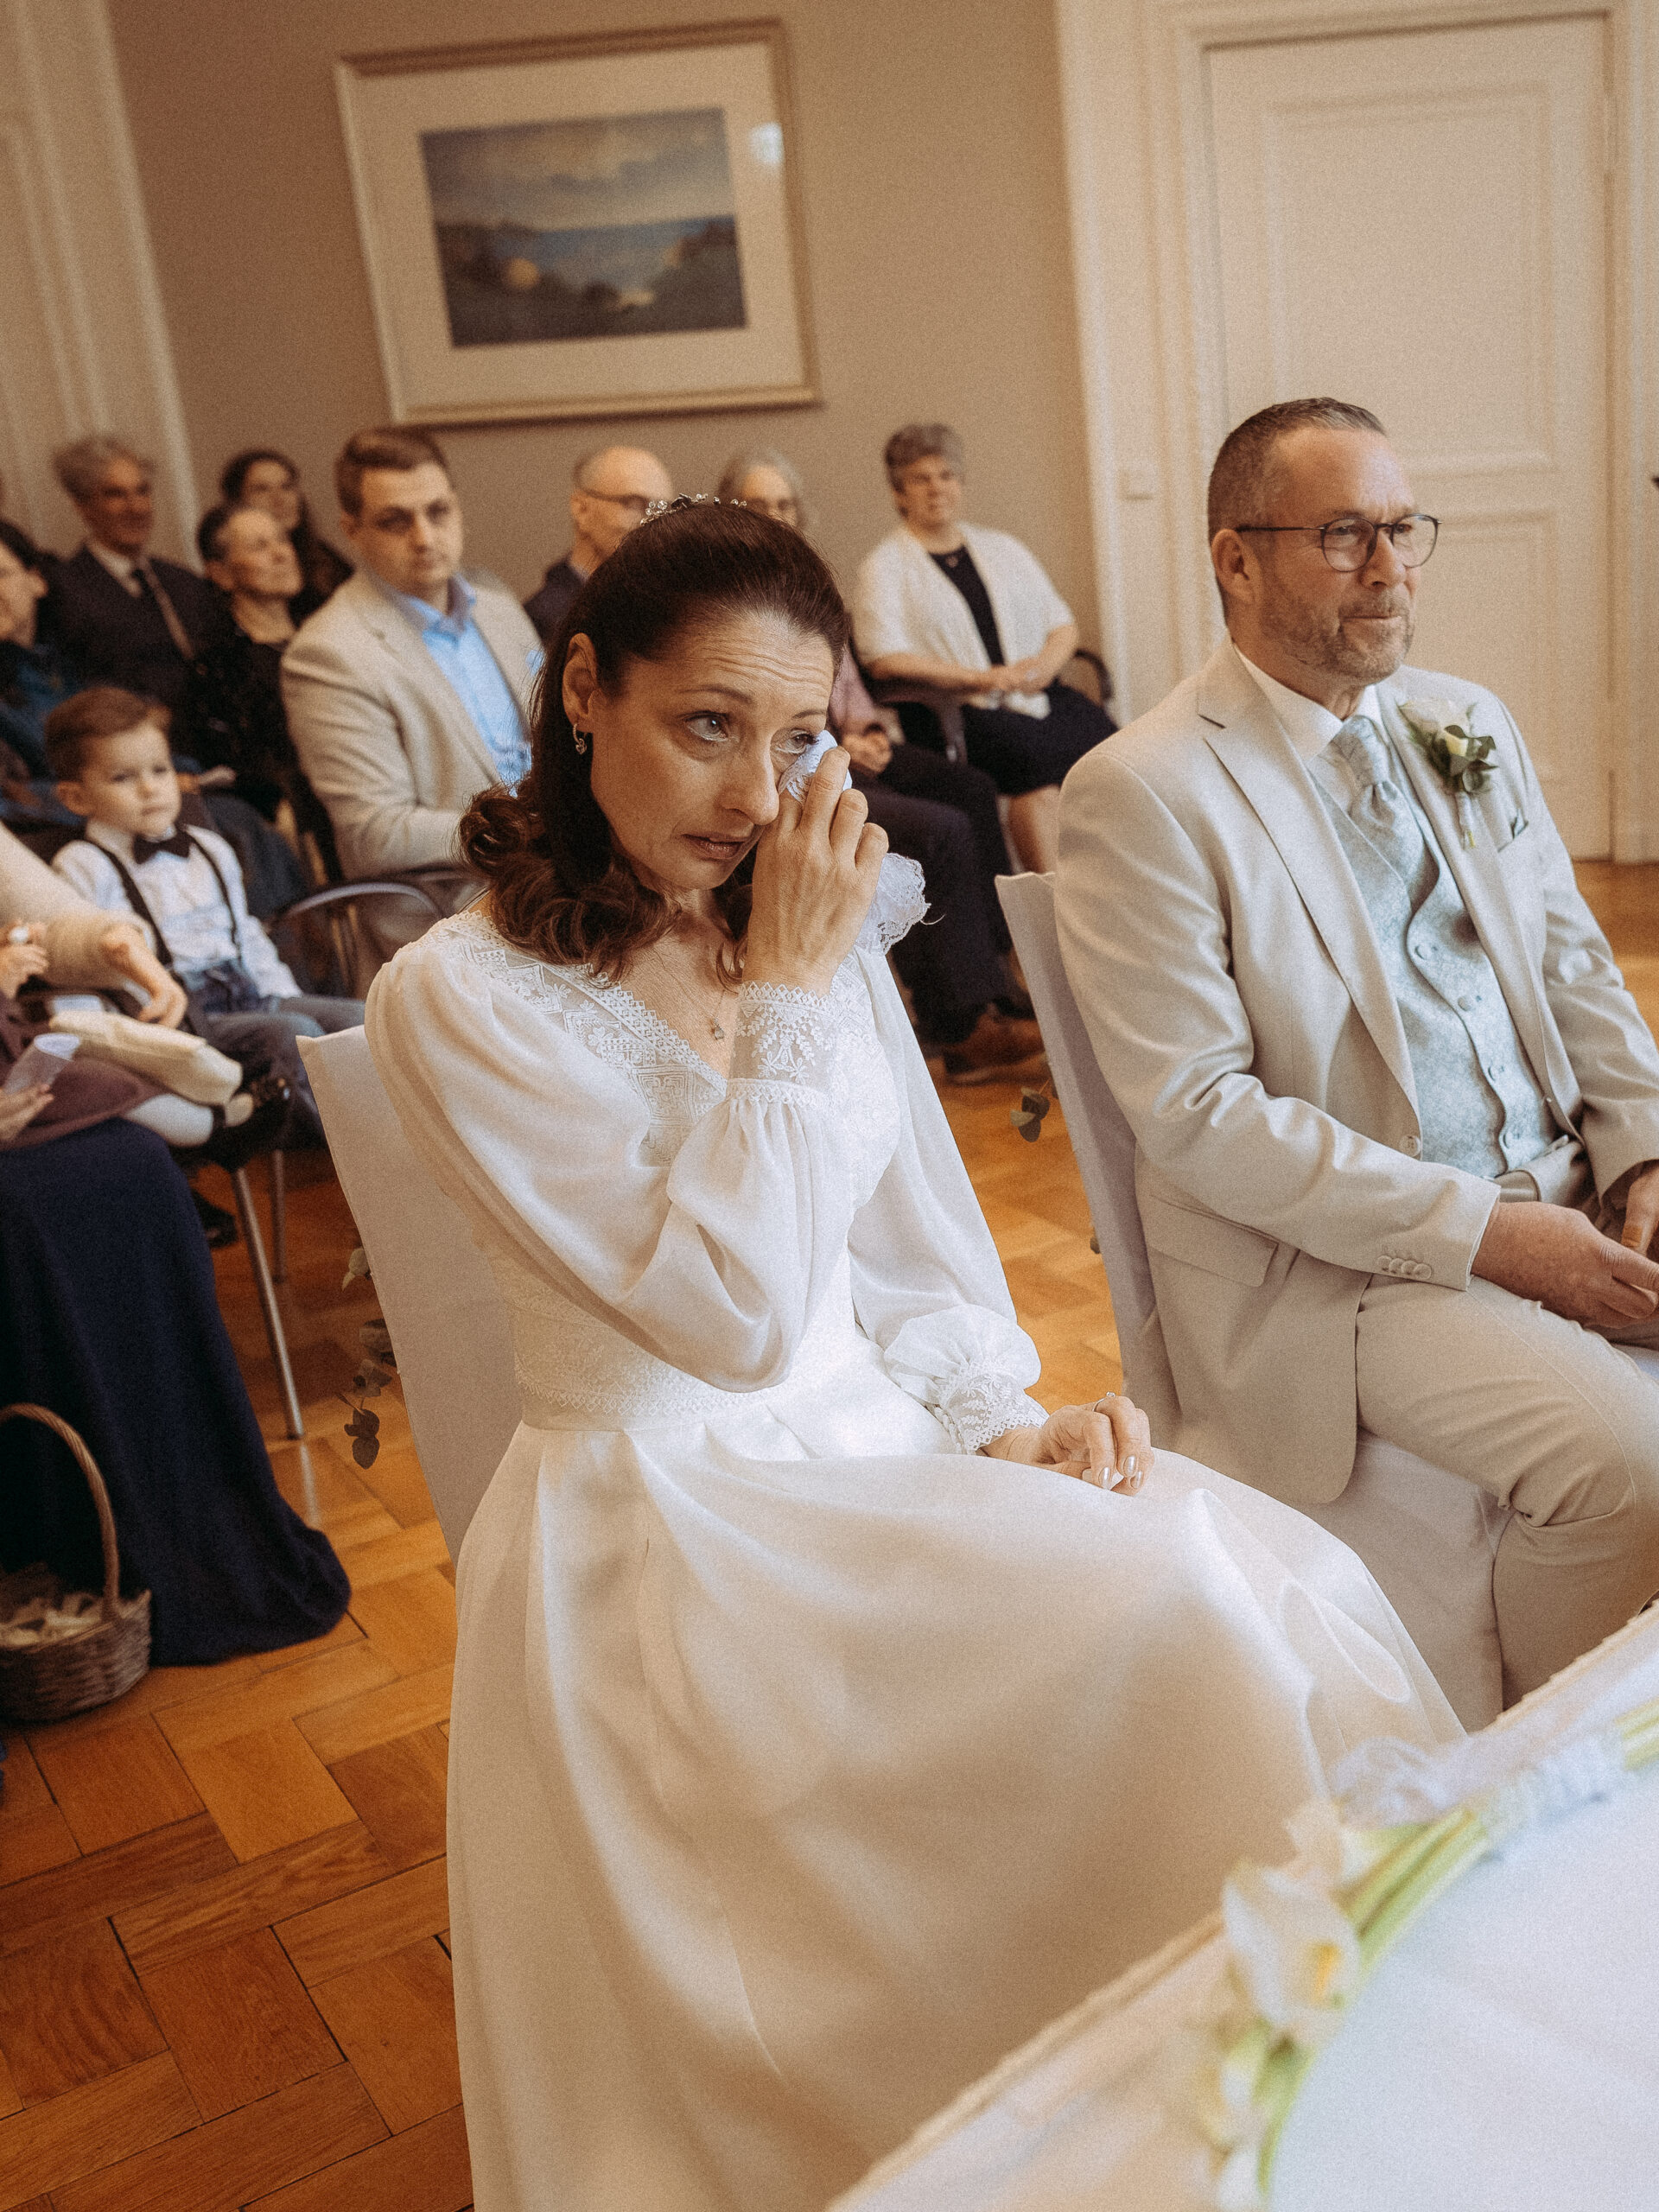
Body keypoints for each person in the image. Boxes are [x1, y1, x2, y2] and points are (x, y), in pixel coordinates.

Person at [365, 498, 1456, 2212]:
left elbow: (903, 1246)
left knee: (1260, 1574)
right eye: (705, 724)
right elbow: (725, 1317)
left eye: (796, 736)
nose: (751, 791)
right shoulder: (457, 994)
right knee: (1179, 1610)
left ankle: (1276, 2113)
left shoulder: (794, 913)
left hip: (873, 1446)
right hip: (673, 1529)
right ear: (585, 689)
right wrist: (794, 981)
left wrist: (991, 1420)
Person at [1056, 395, 1659, 1705]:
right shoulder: (1143, 790)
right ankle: (1538, 1785)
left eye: (1402, 529)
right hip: (1340, 1275)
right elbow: (1201, 1114)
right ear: (1235, 558)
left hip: (1566, 1184)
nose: (1390, 570)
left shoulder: (1467, 721)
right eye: (1344, 535)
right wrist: (1489, 1236)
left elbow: (1573, 964)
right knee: (1626, 1458)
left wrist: (1644, 1149)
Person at [721, 447, 1042, 1082]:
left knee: (972, 789)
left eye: (786, 504)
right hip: (797, 761)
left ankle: (1000, 977)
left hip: (846, 741)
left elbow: (847, 684)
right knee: (937, 829)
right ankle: (962, 1025)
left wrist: (864, 728)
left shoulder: (809, 577)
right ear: (737, 511)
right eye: (762, 505)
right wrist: (838, 737)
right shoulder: (732, 590)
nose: (777, 516)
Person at [48, 688, 362, 1141]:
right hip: (186, 1018)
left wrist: (284, 992)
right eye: (122, 778)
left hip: (250, 992)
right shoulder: (83, 864)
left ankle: (391, 1130)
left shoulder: (209, 847)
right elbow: (84, 961)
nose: (150, 788)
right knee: (293, 1034)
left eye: (161, 770)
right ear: (76, 798)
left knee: (354, 1020)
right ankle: (340, 1147)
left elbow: (246, 935)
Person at [281, 425, 543, 885]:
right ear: (352, 531)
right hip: (454, 904)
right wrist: (532, 829)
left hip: (557, 876)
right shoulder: (327, 654)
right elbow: (374, 834)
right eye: (395, 521)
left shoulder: (501, 610)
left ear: (458, 509)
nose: (424, 537)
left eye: (438, 512)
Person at [853, 423, 1115, 873]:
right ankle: (1050, 914)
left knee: (1110, 746)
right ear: (899, 493)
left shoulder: (1003, 548)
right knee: (1031, 765)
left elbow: (1062, 624)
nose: (937, 488)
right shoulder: (883, 567)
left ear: (961, 484)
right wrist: (981, 679)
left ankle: (1102, 896)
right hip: (955, 711)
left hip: (1033, 694)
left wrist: (1045, 668)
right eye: (921, 478)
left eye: (947, 475)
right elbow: (882, 657)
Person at [184, 502, 340, 876]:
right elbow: (232, 767)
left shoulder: (329, 632)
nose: (281, 554)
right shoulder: (219, 664)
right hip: (291, 814)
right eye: (258, 546)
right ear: (220, 573)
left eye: (282, 540)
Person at [48, 435, 224, 714]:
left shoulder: (183, 581)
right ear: (83, 506)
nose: (137, 508)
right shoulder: (65, 589)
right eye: (115, 494)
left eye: (143, 491)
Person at [522, 443, 674, 643]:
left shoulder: (669, 612)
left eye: (664, 510)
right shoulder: (544, 620)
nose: (653, 521)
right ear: (582, 509)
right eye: (634, 504)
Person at [219, 445, 353, 620]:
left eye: (286, 486)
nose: (279, 499)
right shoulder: (241, 570)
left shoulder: (325, 557)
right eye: (262, 489)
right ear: (238, 501)